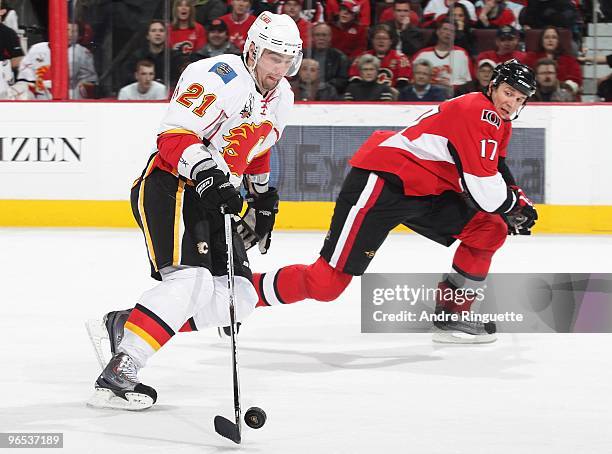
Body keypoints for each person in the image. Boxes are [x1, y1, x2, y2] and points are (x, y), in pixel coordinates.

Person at [86, 12, 302, 411]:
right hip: (173, 185)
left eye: (288, 60)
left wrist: (260, 197)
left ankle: (126, 324)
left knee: (239, 295)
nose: (280, 69)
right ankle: (121, 369)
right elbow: (172, 137)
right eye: (274, 58)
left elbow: (256, 145)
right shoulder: (216, 75)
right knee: (192, 283)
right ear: (252, 50)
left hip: (213, 197)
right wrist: (206, 171)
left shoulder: (283, 96)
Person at [254, 60, 538, 345]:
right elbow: (485, 191)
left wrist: (516, 199)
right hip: (384, 183)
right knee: (327, 284)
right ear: (492, 87)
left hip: (427, 191)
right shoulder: (479, 112)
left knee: (489, 229)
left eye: (520, 98)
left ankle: (453, 313)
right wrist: (517, 204)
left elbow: (497, 167)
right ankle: (244, 293)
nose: (512, 103)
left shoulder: (498, 121)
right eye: (508, 92)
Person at [16, 22, 98, 99]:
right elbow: (24, 81)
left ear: (79, 36)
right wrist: (37, 87)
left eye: (74, 31)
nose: (70, 34)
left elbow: (91, 83)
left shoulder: (83, 53)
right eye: (67, 30)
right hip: (39, 102)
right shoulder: (36, 49)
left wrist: (72, 90)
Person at [412, 20, 473, 88]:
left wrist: (452, 87)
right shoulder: (422, 54)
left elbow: (468, 82)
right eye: (445, 29)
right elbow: (413, 80)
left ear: (455, 35)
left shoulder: (462, 54)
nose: (448, 33)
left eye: (451, 31)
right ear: (438, 32)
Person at [120, 20, 168, 88]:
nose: (158, 34)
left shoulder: (172, 56)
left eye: (161, 30)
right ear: (147, 36)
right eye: (153, 31)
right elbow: (127, 76)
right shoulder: (137, 57)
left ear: (166, 35)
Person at [307, 22, 349, 94]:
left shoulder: (339, 57)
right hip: (306, 93)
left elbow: (343, 81)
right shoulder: (305, 55)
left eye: (324, 35)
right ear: (312, 37)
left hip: (330, 95)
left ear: (330, 37)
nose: (321, 38)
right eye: (317, 35)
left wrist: (325, 86)